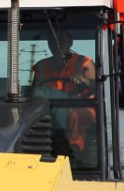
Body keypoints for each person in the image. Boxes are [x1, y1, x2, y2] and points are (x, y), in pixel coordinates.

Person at [32, 32, 97, 160]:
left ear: (70, 43)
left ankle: (74, 151)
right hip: (49, 108)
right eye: (52, 41)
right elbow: (34, 92)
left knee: (75, 114)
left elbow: (99, 88)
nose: (56, 44)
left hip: (78, 105)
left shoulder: (84, 63)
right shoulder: (40, 66)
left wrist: (85, 82)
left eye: (60, 41)